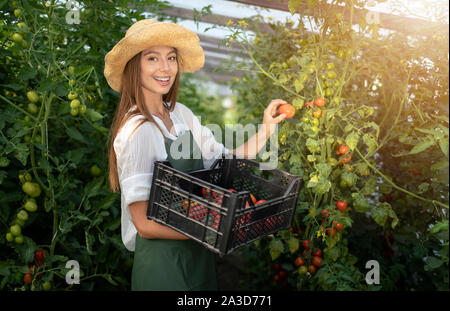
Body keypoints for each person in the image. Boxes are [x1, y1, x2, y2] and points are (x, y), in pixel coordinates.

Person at [104, 18, 287, 291]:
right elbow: (144, 225)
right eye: (152, 58)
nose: (165, 68)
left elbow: (226, 160)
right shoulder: (138, 131)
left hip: (198, 254)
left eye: (171, 57)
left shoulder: (181, 115)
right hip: (163, 265)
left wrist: (266, 128)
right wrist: (212, 230)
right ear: (134, 66)